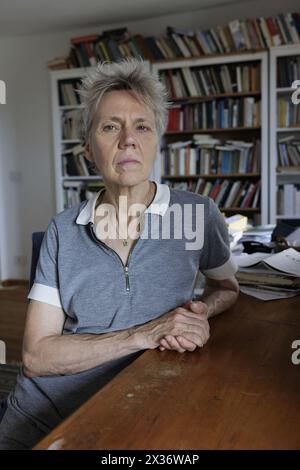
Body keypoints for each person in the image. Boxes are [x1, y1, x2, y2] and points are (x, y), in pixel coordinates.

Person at [0, 58, 239, 450]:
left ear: (156, 142)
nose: (128, 139)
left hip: (136, 405)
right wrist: (146, 333)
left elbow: (227, 286)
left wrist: (199, 314)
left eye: (142, 126)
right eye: (111, 127)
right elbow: (37, 356)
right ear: (88, 149)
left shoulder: (198, 214)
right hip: (43, 413)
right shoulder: (64, 229)